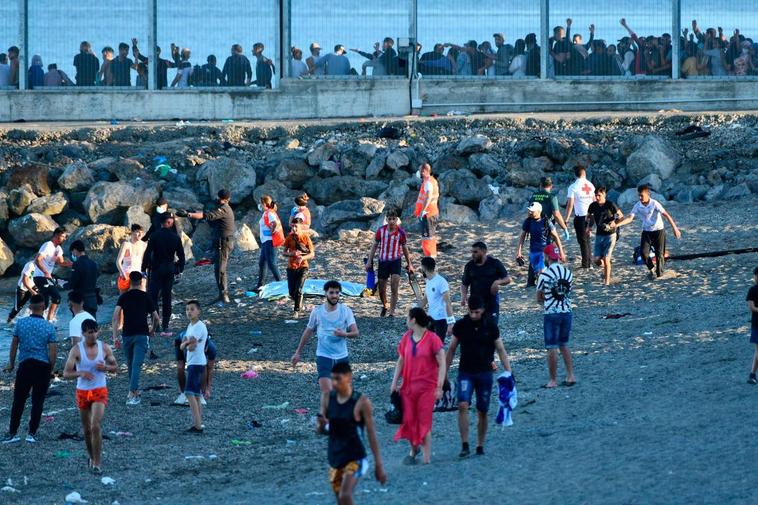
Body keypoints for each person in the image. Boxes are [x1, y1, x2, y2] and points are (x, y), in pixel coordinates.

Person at [446, 295, 512, 457]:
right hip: (465, 372)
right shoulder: (461, 325)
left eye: (476, 312)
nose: (473, 315)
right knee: (462, 405)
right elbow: (451, 349)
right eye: (471, 312)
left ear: (482, 310)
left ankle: (480, 445)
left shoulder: (491, 326)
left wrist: (508, 372)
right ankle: (465, 444)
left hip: (484, 373)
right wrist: (444, 373)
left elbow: (501, 349)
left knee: (483, 410)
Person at [317, 362, 387, 502]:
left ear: (349, 377)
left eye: (338, 379)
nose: (334, 383)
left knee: (345, 494)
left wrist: (379, 465)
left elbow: (371, 434)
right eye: (333, 379)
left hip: (355, 456)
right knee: (340, 499)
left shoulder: (361, 402)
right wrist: (321, 426)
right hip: (335, 456)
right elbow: (321, 431)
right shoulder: (327, 398)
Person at [292, 281, 359, 413]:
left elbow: (356, 332)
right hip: (323, 356)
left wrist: (344, 334)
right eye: (331, 292)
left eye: (336, 293)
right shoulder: (317, 312)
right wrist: (298, 352)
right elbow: (308, 331)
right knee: (327, 390)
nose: (334, 295)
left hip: (341, 357)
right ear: (325, 293)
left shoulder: (346, 311)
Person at [391, 308, 446, 465]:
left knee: (424, 421)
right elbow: (400, 361)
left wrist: (439, 386)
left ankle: (426, 458)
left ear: (413, 320)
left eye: (407, 317)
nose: (406, 320)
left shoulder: (433, 339)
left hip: (427, 388)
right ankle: (413, 449)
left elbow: (442, 363)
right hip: (408, 387)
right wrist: (394, 383)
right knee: (409, 420)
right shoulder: (406, 338)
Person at [62, 319, 117, 473]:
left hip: (100, 390)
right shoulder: (76, 350)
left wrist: (105, 367)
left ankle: (98, 463)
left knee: (95, 426)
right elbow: (66, 373)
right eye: (89, 332)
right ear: (83, 333)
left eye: (95, 331)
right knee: (86, 430)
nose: (93, 335)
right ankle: (91, 457)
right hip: (82, 392)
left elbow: (115, 367)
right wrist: (80, 372)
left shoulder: (104, 348)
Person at [2, 295, 57, 444]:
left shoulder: (20, 324)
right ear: (44, 307)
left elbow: (14, 345)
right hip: (42, 366)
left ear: (30, 307)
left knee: (18, 400)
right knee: (37, 401)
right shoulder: (49, 327)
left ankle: (12, 433)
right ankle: (31, 433)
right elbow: (53, 351)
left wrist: (11, 364)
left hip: (25, 365)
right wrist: (51, 369)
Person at [611, 184, 682, 279]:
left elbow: (666, 215)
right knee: (644, 254)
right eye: (639, 196)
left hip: (658, 230)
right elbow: (630, 218)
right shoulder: (638, 205)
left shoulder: (654, 203)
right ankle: (651, 269)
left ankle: (659, 274)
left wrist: (675, 228)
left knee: (659, 254)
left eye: (642, 196)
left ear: (648, 194)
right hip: (646, 232)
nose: (640, 198)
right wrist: (617, 224)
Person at [112, 271, 160, 405]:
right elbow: (156, 317)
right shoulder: (146, 296)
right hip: (141, 334)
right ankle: (131, 393)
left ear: (130, 282)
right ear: (141, 282)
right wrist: (152, 329)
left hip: (127, 335)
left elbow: (115, 316)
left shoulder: (124, 297)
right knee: (136, 365)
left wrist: (115, 336)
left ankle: (134, 391)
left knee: (130, 364)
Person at [417, 256, 456, 411]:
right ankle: (438, 386)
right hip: (431, 320)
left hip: (441, 322)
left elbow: (448, 302)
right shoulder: (428, 282)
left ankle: (445, 387)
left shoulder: (441, 282)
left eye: (421, 268)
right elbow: (425, 300)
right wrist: (415, 311)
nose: (421, 271)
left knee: (436, 355)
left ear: (426, 268)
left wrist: (450, 322)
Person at [536, 244, 576, 388]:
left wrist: (545, 301)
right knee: (564, 344)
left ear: (547, 257)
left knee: (551, 347)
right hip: (567, 312)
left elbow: (539, 297)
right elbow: (567, 293)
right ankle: (570, 375)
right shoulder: (568, 273)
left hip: (551, 313)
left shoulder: (544, 275)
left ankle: (553, 380)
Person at [188, 189, 235, 303]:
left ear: (221, 198)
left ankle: (224, 295)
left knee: (220, 269)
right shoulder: (225, 209)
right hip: (222, 242)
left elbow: (208, 216)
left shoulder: (223, 209)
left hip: (223, 242)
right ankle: (222, 294)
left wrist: (190, 214)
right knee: (218, 268)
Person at [142, 212, 185, 336]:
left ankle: (156, 324)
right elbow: (181, 256)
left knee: (153, 296)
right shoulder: (175, 237)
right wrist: (179, 269)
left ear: (161, 223)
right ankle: (166, 325)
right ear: (170, 222)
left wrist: (143, 269)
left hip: (156, 269)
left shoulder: (155, 236)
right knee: (167, 297)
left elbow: (147, 253)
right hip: (170, 269)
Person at [366, 209, 414, 317]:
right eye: (390, 219)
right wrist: (369, 261)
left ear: (397, 219)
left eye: (394, 219)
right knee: (382, 289)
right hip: (383, 261)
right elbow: (374, 246)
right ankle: (385, 305)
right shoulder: (380, 231)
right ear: (386, 219)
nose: (392, 221)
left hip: (396, 261)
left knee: (394, 286)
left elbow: (405, 248)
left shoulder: (401, 232)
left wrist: (409, 264)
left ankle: (392, 312)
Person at [461, 241, 511, 325]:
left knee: (492, 326)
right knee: (476, 328)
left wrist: (497, 282)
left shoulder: (495, 263)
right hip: (476, 302)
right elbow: (464, 284)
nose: (473, 254)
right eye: (472, 252)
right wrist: (463, 296)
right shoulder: (469, 266)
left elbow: (508, 279)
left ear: (484, 251)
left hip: (492, 301)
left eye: (475, 252)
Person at [517, 202, 566, 281]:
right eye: (529, 210)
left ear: (538, 211)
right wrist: (519, 252)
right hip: (533, 251)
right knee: (537, 272)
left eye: (532, 211)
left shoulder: (546, 222)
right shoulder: (528, 222)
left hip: (545, 251)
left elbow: (556, 237)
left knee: (542, 272)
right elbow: (522, 237)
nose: (530, 212)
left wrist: (561, 252)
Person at [179, 300, 208, 433]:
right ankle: (198, 423)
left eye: (192, 309)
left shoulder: (199, 326)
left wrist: (184, 345)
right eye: (187, 310)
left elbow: (191, 345)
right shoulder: (191, 326)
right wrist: (185, 343)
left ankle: (197, 425)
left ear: (198, 311)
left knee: (189, 393)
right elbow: (186, 341)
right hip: (193, 362)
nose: (189, 312)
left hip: (196, 362)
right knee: (196, 394)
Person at [33, 227, 72, 323]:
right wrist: (46, 272)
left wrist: (72, 264)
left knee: (44, 303)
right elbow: (37, 260)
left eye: (65, 237)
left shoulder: (58, 249)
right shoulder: (47, 245)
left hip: (46, 277)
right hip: (39, 277)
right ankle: (49, 320)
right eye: (63, 236)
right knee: (56, 297)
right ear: (56, 235)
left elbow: (61, 262)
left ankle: (36, 319)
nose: (64, 238)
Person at [585, 187, 623, 285]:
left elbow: (621, 216)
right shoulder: (592, 205)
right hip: (599, 234)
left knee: (606, 259)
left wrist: (614, 223)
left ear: (604, 195)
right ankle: (607, 266)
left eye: (599, 195)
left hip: (611, 234)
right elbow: (589, 217)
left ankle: (606, 282)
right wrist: (589, 227)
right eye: (596, 195)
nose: (597, 197)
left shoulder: (610, 204)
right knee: (596, 260)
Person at [173, 327, 217, 406]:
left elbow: (210, 368)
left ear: (206, 348)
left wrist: (208, 388)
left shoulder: (212, 348)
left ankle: (200, 394)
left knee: (203, 366)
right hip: (180, 343)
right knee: (180, 366)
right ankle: (183, 394)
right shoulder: (188, 346)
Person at [565, 165, 596, 269]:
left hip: (581, 217)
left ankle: (586, 264)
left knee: (582, 240)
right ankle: (589, 262)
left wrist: (566, 218)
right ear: (584, 173)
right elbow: (595, 201)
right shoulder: (591, 185)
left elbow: (570, 204)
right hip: (591, 216)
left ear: (575, 175)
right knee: (587, 239)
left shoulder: (573, 187)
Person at [283, 217, 315, 317]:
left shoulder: (306, 237)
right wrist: (292, 253)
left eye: (296, 226)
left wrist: (303, 257)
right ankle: (299, 302)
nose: (294, 229)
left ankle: (296, 310)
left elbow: (312, 254)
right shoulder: (289, 237)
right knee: (291, 292)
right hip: (291, 267)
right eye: (292, 226)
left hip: (303, 267)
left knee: (299, 289)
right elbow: (284, 252)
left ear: (301, 227)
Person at [63, 240, 99, 317]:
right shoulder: (93, 263)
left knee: (80, 324)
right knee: (92, 324)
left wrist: (63, 284)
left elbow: (73, 282)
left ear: (75, 250)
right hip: (93, 298)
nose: (73, 254)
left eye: (72, 252)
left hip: (81, 300)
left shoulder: (77, 264)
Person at [255, 195, 283, 291]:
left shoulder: (270, 213)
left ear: (264, 204)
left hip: (270, 241)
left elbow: (274, 223)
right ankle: (260, 285)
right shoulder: (267, 213)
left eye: (261, 203)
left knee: (272, 263)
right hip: (266, 241)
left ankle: (281, 284)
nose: (259, 205)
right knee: (262, 263)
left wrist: (272, 231)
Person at [413, 163, 440, 258]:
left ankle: (430, 258)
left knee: (427, 238)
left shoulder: (428, 182)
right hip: (433, 213)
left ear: (424, 171)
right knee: (431, 237)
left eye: (419, 170)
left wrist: (422, 211)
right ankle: (432, 256)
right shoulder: (432, 181)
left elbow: (428, 196)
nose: (418, 172)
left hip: (428, 214)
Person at [116, 224, 146, 293]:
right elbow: (118, 261)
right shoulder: (126, 244)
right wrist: (122, 273)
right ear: (132, 232)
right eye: (138, 232)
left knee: (141, 296)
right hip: (126, 275)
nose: (140, 234)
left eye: (142, 232)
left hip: (139, 275)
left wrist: (145, 274)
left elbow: (144, 262)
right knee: (124, 299)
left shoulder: (144, 245)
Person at [7, 259, 38, 323]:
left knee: (38, 302)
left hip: (32, 285)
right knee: (18, 308)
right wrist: (32, 291)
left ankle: (33, 319)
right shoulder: (30, 265)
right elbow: (24, 281)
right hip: (22, 288)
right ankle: (8, 321)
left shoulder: (41, 265)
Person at [747, 266, 758, 385]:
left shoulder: (752, 290)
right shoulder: (753, 290)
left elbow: (752, 308)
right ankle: (752, 375)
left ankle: (752, 375)